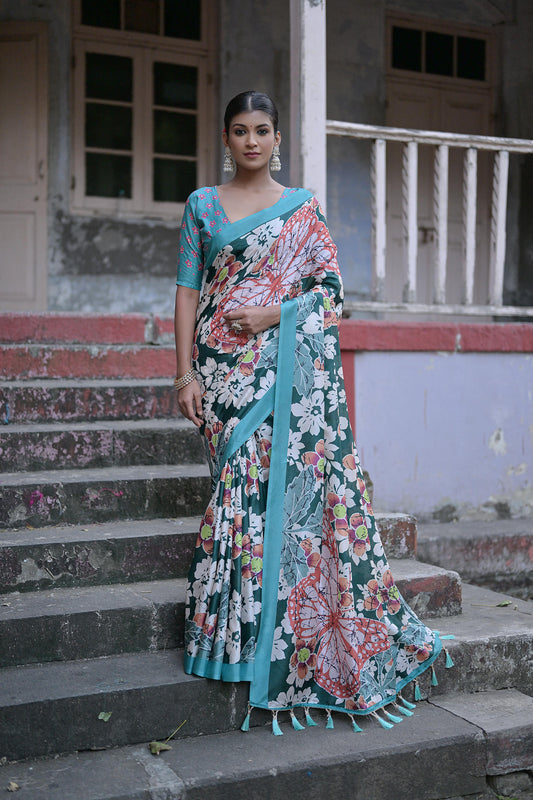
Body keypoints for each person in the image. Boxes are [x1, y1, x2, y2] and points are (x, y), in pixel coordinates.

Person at [174, 90, 447, 734]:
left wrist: (273, 314)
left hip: (281, 361)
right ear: (225, 138)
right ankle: (230, 642)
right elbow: (187, 290)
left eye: (261, 130)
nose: (250, 141)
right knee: (235, 491)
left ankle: (279, 641)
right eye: (239, 130)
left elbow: (331, 294)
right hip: (219, 367)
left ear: (276, 139)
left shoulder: (302, 211)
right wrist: (183, 371)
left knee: (276, 494)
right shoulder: (201, 207)